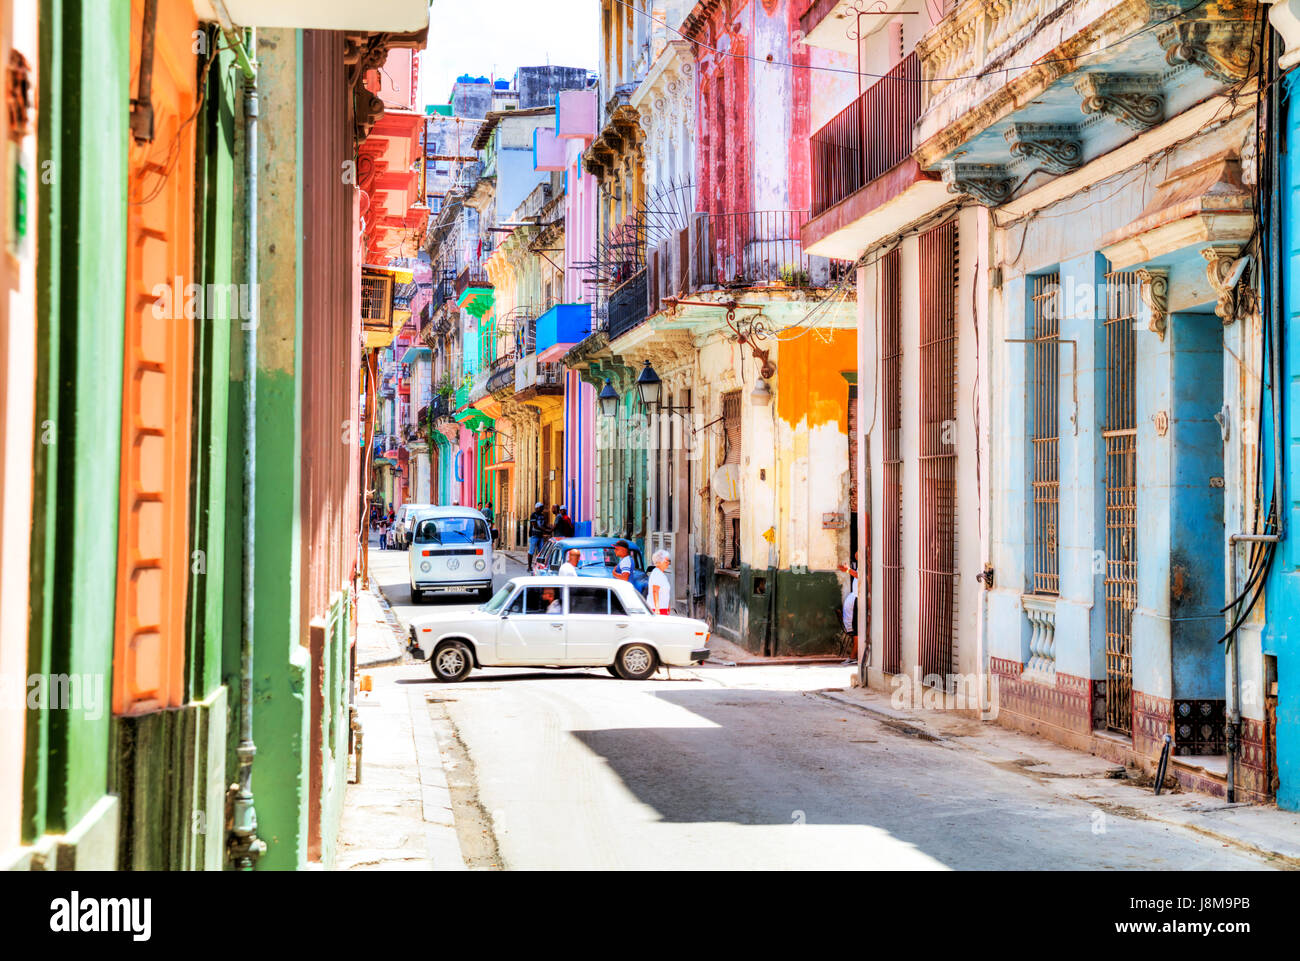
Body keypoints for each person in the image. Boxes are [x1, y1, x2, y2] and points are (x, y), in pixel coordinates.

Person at [648, 549, 673, 615]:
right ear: (659, 562)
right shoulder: (657, 574)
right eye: (666, 561)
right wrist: (657, 608)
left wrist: (667, 605)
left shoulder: (661, 573)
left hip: (662, 608)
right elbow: (655, 591)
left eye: (668, 561)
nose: (668, 563)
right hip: (658, 609)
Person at [527, 502, 550, 569]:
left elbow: (544, 524)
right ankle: (529, 566)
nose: (542, 509)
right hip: (534, 536)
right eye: (541, 507)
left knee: (541, 551)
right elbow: (535, 525)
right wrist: (545, 530)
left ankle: (539, 565)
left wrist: (550, 528)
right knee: (531, 551)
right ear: (537, 508)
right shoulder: (533, 515)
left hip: (540, 536)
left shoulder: (542, 516)